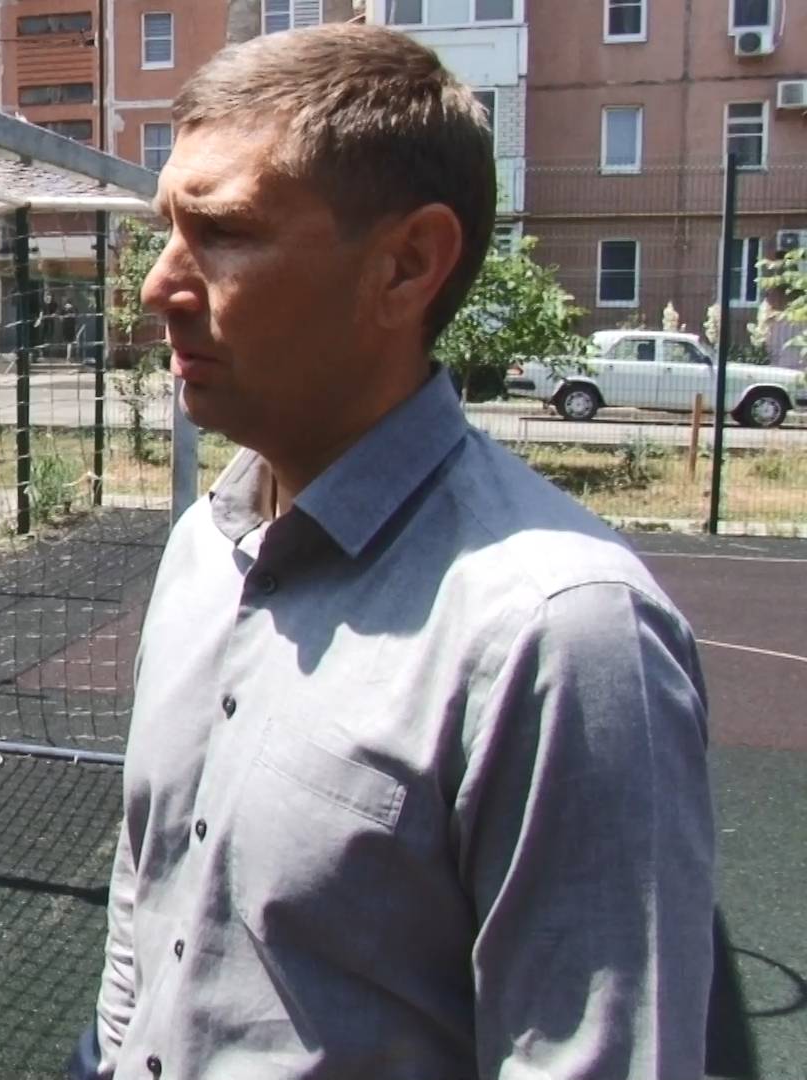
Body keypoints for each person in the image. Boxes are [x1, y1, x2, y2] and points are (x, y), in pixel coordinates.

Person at [83, 24, 714, 1079]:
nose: (159, 285)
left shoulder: (562, 634)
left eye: (224, 232)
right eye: (167, 230)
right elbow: (150, 887)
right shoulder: (203, 545)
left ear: (408, 264)